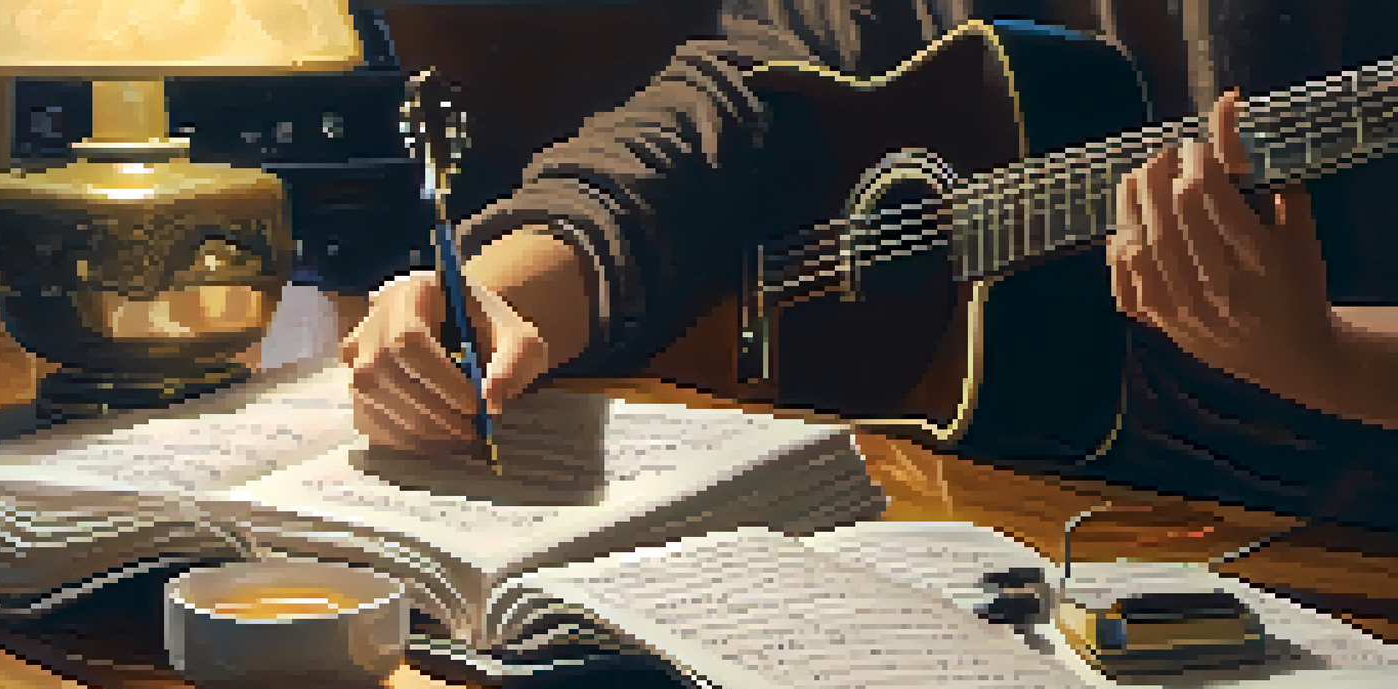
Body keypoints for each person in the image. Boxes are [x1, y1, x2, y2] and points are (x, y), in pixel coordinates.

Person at [341, 0, 1398, 526]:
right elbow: (724, 103)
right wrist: (497, 289)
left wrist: (1324, 355)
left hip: (1306, 547)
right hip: (940, 499)